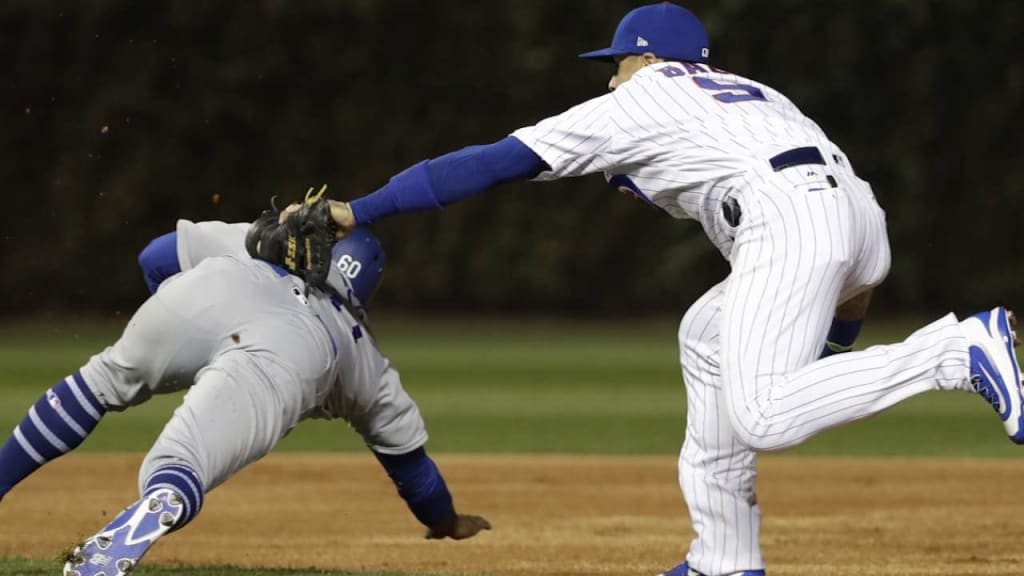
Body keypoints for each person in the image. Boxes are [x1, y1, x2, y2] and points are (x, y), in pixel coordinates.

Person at [320, 4, 1021, 576]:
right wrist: (829, 352)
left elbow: (489, 164)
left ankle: (960, 351)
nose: (610, 80)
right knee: (706, 336)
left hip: (790, 216)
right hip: (857, 217)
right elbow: (851, 276)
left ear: (652, 60)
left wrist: (360, 210)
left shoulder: (647, 96)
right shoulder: (757, 98)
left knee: (766, 417)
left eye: (616, 64)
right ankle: (723, 560)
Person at [0, 214, 490, 576]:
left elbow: (154, 257)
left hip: (211, 289)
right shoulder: (365, 355)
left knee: (100, 381)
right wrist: (444, 521)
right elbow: (413, 471)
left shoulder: (257, 242)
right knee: (181, 462)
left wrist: (178, 326)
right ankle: (145, 517)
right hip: (294, 351)